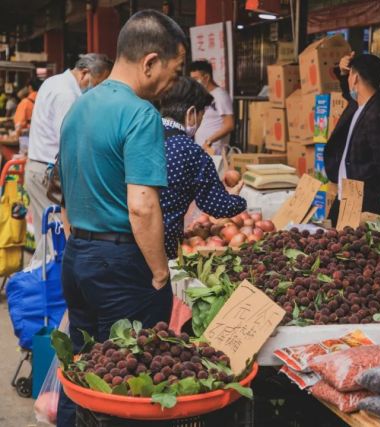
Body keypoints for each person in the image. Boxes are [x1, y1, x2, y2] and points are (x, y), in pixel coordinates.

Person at [57, 10, 186, 426]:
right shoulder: (140, 114)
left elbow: (62, 186)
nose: (174, 83)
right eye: (174, 70)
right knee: (127, 384)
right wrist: (160, 274)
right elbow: (142, 205)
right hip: (120, 266)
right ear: (149, 62)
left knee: (83, 372)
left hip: (77, 260)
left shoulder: (80, 108)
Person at [25, 53, 112, 247]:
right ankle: (54, 277)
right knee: (56, 239)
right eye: (98, 84)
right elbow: (71, 141)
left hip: (39, 168)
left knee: (47, 237)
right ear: (84, 73)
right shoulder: (67, 95)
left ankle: (49, 274)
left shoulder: (53, 81)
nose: (98, 91)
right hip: (48, 174)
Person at [158, 76, 246, 258]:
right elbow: (218, 207)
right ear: (191, 114)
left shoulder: (139, 135)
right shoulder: (192, 152)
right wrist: (235, 199)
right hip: (162, 247)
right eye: (201, 116)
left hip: (125, 240)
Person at [324, 52, 380, 226]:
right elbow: (349, 95)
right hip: (347, 195)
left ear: (355, 78)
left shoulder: (375, 114)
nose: (348, 80)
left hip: (362, 201)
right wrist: (342, 72)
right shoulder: (360, 106)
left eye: (349, 76)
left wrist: (374, 198)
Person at [188, 60, 235, 153]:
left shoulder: (220, 95)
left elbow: (229, 124)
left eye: (196, 78)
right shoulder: (203, 95)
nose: (194, 82)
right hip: (202, 148)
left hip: (214, 149)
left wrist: (209, 140)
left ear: (206, 77)